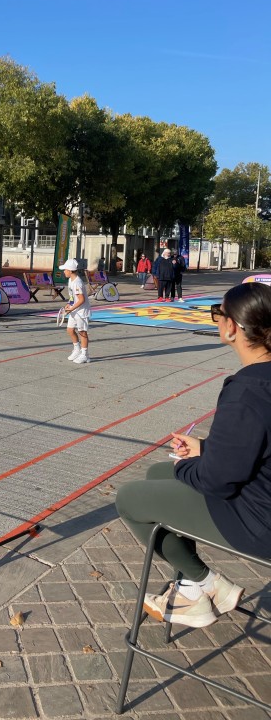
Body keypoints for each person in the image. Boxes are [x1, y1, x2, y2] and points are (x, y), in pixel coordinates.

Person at [115, 282, 271, 628]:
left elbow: (217, 481)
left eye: (218, 314)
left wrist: (189, 464)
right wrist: (205, 448)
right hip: (262, 494)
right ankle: (192, 585)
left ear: (231, 326)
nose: (217, 321)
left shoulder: (246, 391)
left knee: (129, 498)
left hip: (258, 519)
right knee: (157, 474)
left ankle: (205, 584)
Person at [60, 258, 91, 364]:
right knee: (70, 330)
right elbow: (73, 297)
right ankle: (77, 349)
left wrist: (71, 308)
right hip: (75, 310)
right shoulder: (70, 280)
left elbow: (81, 299)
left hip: (81, 311)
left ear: (70, 270)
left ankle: (85, 355)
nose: (64, 271)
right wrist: (69, 304)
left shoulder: (77, 282)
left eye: (65, 270)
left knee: (82, 332)